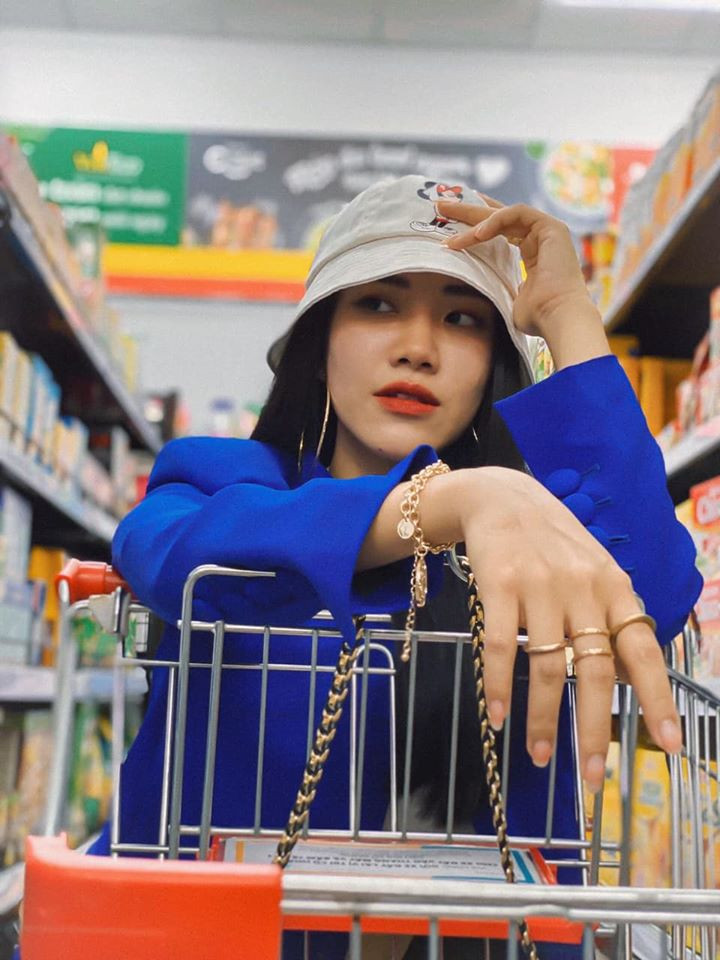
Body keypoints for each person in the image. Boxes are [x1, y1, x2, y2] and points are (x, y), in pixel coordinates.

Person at [90, 175, 700, 958]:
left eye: (462, 318)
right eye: (378, 304)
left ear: (492, 365)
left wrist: (568, 315)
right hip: (211, 938)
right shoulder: (216, 478)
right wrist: (439, 505)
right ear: (319, 344)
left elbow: (652, 595)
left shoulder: (531, 539)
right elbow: (176, 553)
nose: (418, 346)